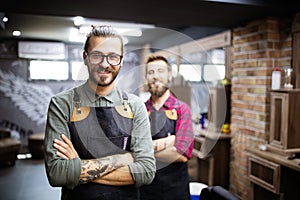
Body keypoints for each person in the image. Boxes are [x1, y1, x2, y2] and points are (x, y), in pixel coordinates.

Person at [43, 25, 156, 200]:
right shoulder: (62, 104)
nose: (105, 64)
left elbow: (147, 171)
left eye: (113, 57)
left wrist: (78, 167)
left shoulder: (135, 106)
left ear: (121, 60)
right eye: (97, 55)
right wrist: (123, 159)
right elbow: (57, 173)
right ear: (85, 58)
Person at [139, 55, 194, 200]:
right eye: (151, 72)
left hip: (175, 192)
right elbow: (132, 149)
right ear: (146, 77)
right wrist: (169, 142)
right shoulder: (140, 110)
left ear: (169, 75)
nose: (155, 76)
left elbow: (181, 155)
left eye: (160, 71)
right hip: (145, 191)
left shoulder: (182, 109)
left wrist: (144, 151)